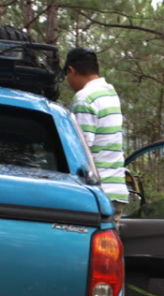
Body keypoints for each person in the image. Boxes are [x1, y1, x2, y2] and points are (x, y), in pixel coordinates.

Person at [64, 47, 129, 220]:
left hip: (96, 196)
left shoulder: (84, 98)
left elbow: (80, 150)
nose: (68, 82)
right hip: (116, 191)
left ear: (72, 70)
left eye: (67, 76)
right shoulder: (110, 93)